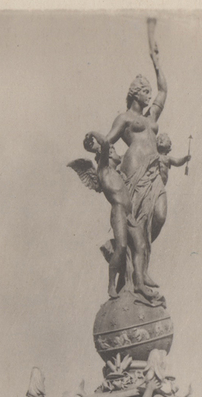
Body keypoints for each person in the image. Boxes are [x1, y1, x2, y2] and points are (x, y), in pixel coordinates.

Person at [68, 133, 159, 302]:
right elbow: (105, 143)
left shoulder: (117, 174)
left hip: (129, 215)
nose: (119, 155)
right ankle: (111, 284)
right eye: (115, 152)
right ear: (109, 154)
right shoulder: (103, 170)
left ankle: (139, 283)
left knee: (141, 246)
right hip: (118, 212)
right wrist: (94, 134)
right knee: (121, 247)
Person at [104, 43, 168, 251]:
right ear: (135, 93)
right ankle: (133, 252)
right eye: (146, 92)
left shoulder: (151, 117)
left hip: (153, 171)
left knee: (160, 215)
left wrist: (156, 63)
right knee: (135, 218)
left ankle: (137, 250)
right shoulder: (124, 118)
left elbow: (163, 91)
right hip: (134, 170)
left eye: (150, 92)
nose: (149, 96)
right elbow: (107, 141)